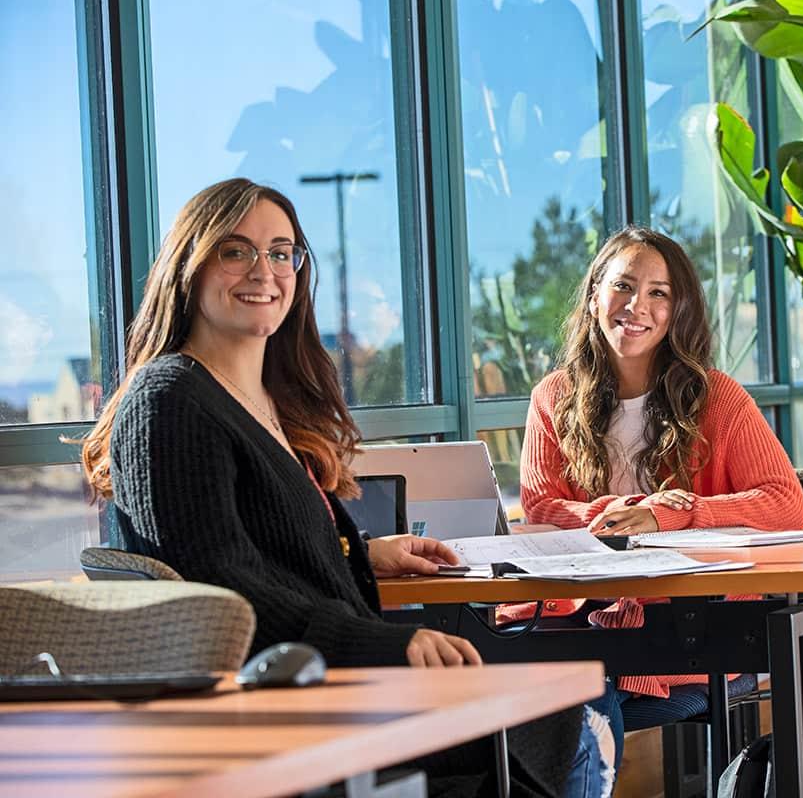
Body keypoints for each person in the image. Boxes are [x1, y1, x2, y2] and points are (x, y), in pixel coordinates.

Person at [78, 178, 612, 798]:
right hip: (290, 703)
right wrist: (387, 642)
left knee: (556, 710)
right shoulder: (169, 400)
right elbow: (221, 590)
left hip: (323, 680)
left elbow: (258, 546)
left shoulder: (263, 401)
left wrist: (358, 552)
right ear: (190, 267)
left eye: (281, 253)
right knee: (555, 715)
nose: (264, 270)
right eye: (235, 250)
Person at [518, 225, 803, 765]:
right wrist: (623, 513)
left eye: (659, 293)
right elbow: (541, 507)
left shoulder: (718, 396)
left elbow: (784, 504)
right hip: (584, 619)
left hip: (688, 630)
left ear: (680, 310)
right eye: (623, 286)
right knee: (519, 697)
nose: (637, 305)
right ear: (593, 295)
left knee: (576, 703)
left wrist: (676, 516)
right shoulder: (552, 397)